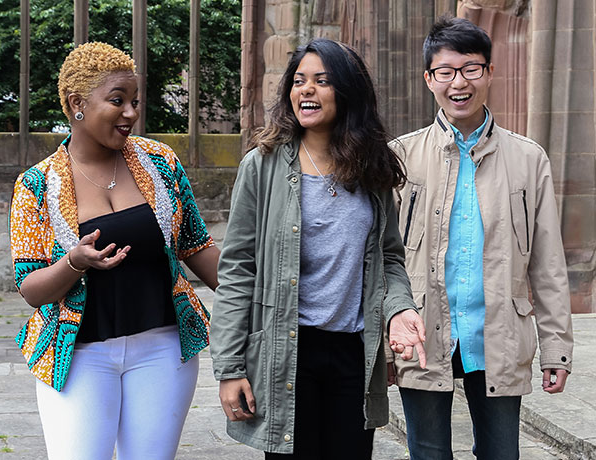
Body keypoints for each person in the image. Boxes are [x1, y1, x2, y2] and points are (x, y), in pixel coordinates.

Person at [210, 38, 427, 459]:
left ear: (346, 91)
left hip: (353, 351)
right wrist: (230, 368)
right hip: (286, 350)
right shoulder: (263, 165)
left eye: (322, 81)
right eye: (299, 81)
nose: (305, 90)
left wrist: (400, 309)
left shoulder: (371, 167)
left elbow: (389, 257)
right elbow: (237, 268)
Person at [8, 42, 220, 460]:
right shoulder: (36, 184)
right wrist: (74, 262)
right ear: (77, 104)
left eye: (135, 101)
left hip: (163, 349)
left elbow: (197, 246)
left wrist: (264, 292)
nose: (131, 113)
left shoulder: (160, 162)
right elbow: (31, 288)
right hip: (80, 355)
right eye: (118, 101)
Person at [391, 16, 574, 460]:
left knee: (500, 453)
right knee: (428, 452)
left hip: (498, 334)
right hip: (422, 332)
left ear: (490, 72)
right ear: (428, 79)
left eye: (472, 69)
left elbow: (547, 262)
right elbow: (382, 257)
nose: (459, 82)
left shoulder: (529, 159)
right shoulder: (401, 157)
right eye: (446, 71)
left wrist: (556, 348)